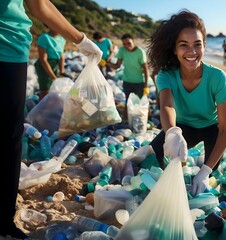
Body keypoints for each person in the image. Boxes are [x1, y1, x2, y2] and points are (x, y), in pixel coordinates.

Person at [0, 0, 102, 239]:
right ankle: (3, 223)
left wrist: (79, 41)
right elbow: (39, 5)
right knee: (9, 137)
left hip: (10, 45)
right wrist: (82, 40)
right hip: (9, 46)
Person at [147, 9, 226, 197]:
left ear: (204, 46)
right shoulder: (166, 75)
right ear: (174, 49)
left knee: (212, 172)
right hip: (183, 126)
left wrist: (205, 171)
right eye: (184, 45)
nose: (192, 51)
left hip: (212, 128)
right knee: (153, 155)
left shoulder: (217, 77)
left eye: (197, 44)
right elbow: (167, 105)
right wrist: (172, 132)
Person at [107, 33, 149, 121]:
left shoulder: (140, 52)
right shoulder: (122, 50)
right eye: (124, 44)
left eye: (129, 43)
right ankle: (126, 121)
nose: (126, 46)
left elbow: (145, 69)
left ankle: (144, 120)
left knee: (141, 103)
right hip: (127, 82)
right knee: (128, 102)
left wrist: (146, 85)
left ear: (133, 41)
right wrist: (107, 63)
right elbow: (117, 66)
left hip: (139, 82)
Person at [34, 26, 66, 100]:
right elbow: (43, 60)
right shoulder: (44, 37)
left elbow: (61, 57)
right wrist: (53, 77)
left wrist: (62, 72)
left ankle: (50, 107)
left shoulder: (62, 39)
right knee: (45, 90)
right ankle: (42, 109)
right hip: (45, 66)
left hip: (55, 64)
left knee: (53, 88)